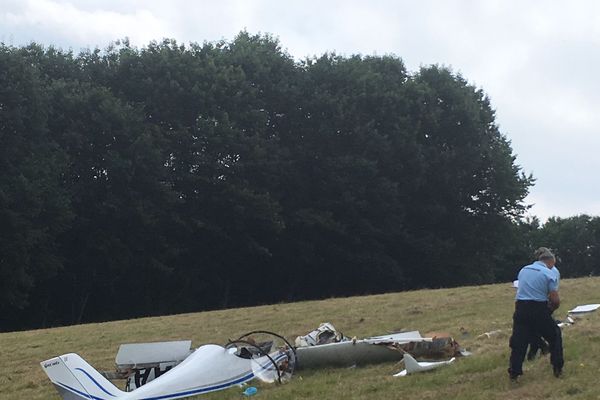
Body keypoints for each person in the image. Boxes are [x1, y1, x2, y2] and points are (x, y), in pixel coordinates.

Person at [508, 247, 564, 381]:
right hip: (538, 308)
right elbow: (555, 300)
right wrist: (549, 311)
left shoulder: (524, 270)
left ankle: (514, 373)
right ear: (550, 262)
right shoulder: (549, 273)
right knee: (555, 336)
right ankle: (557, 368)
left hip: (521, 308)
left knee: (519, 342)